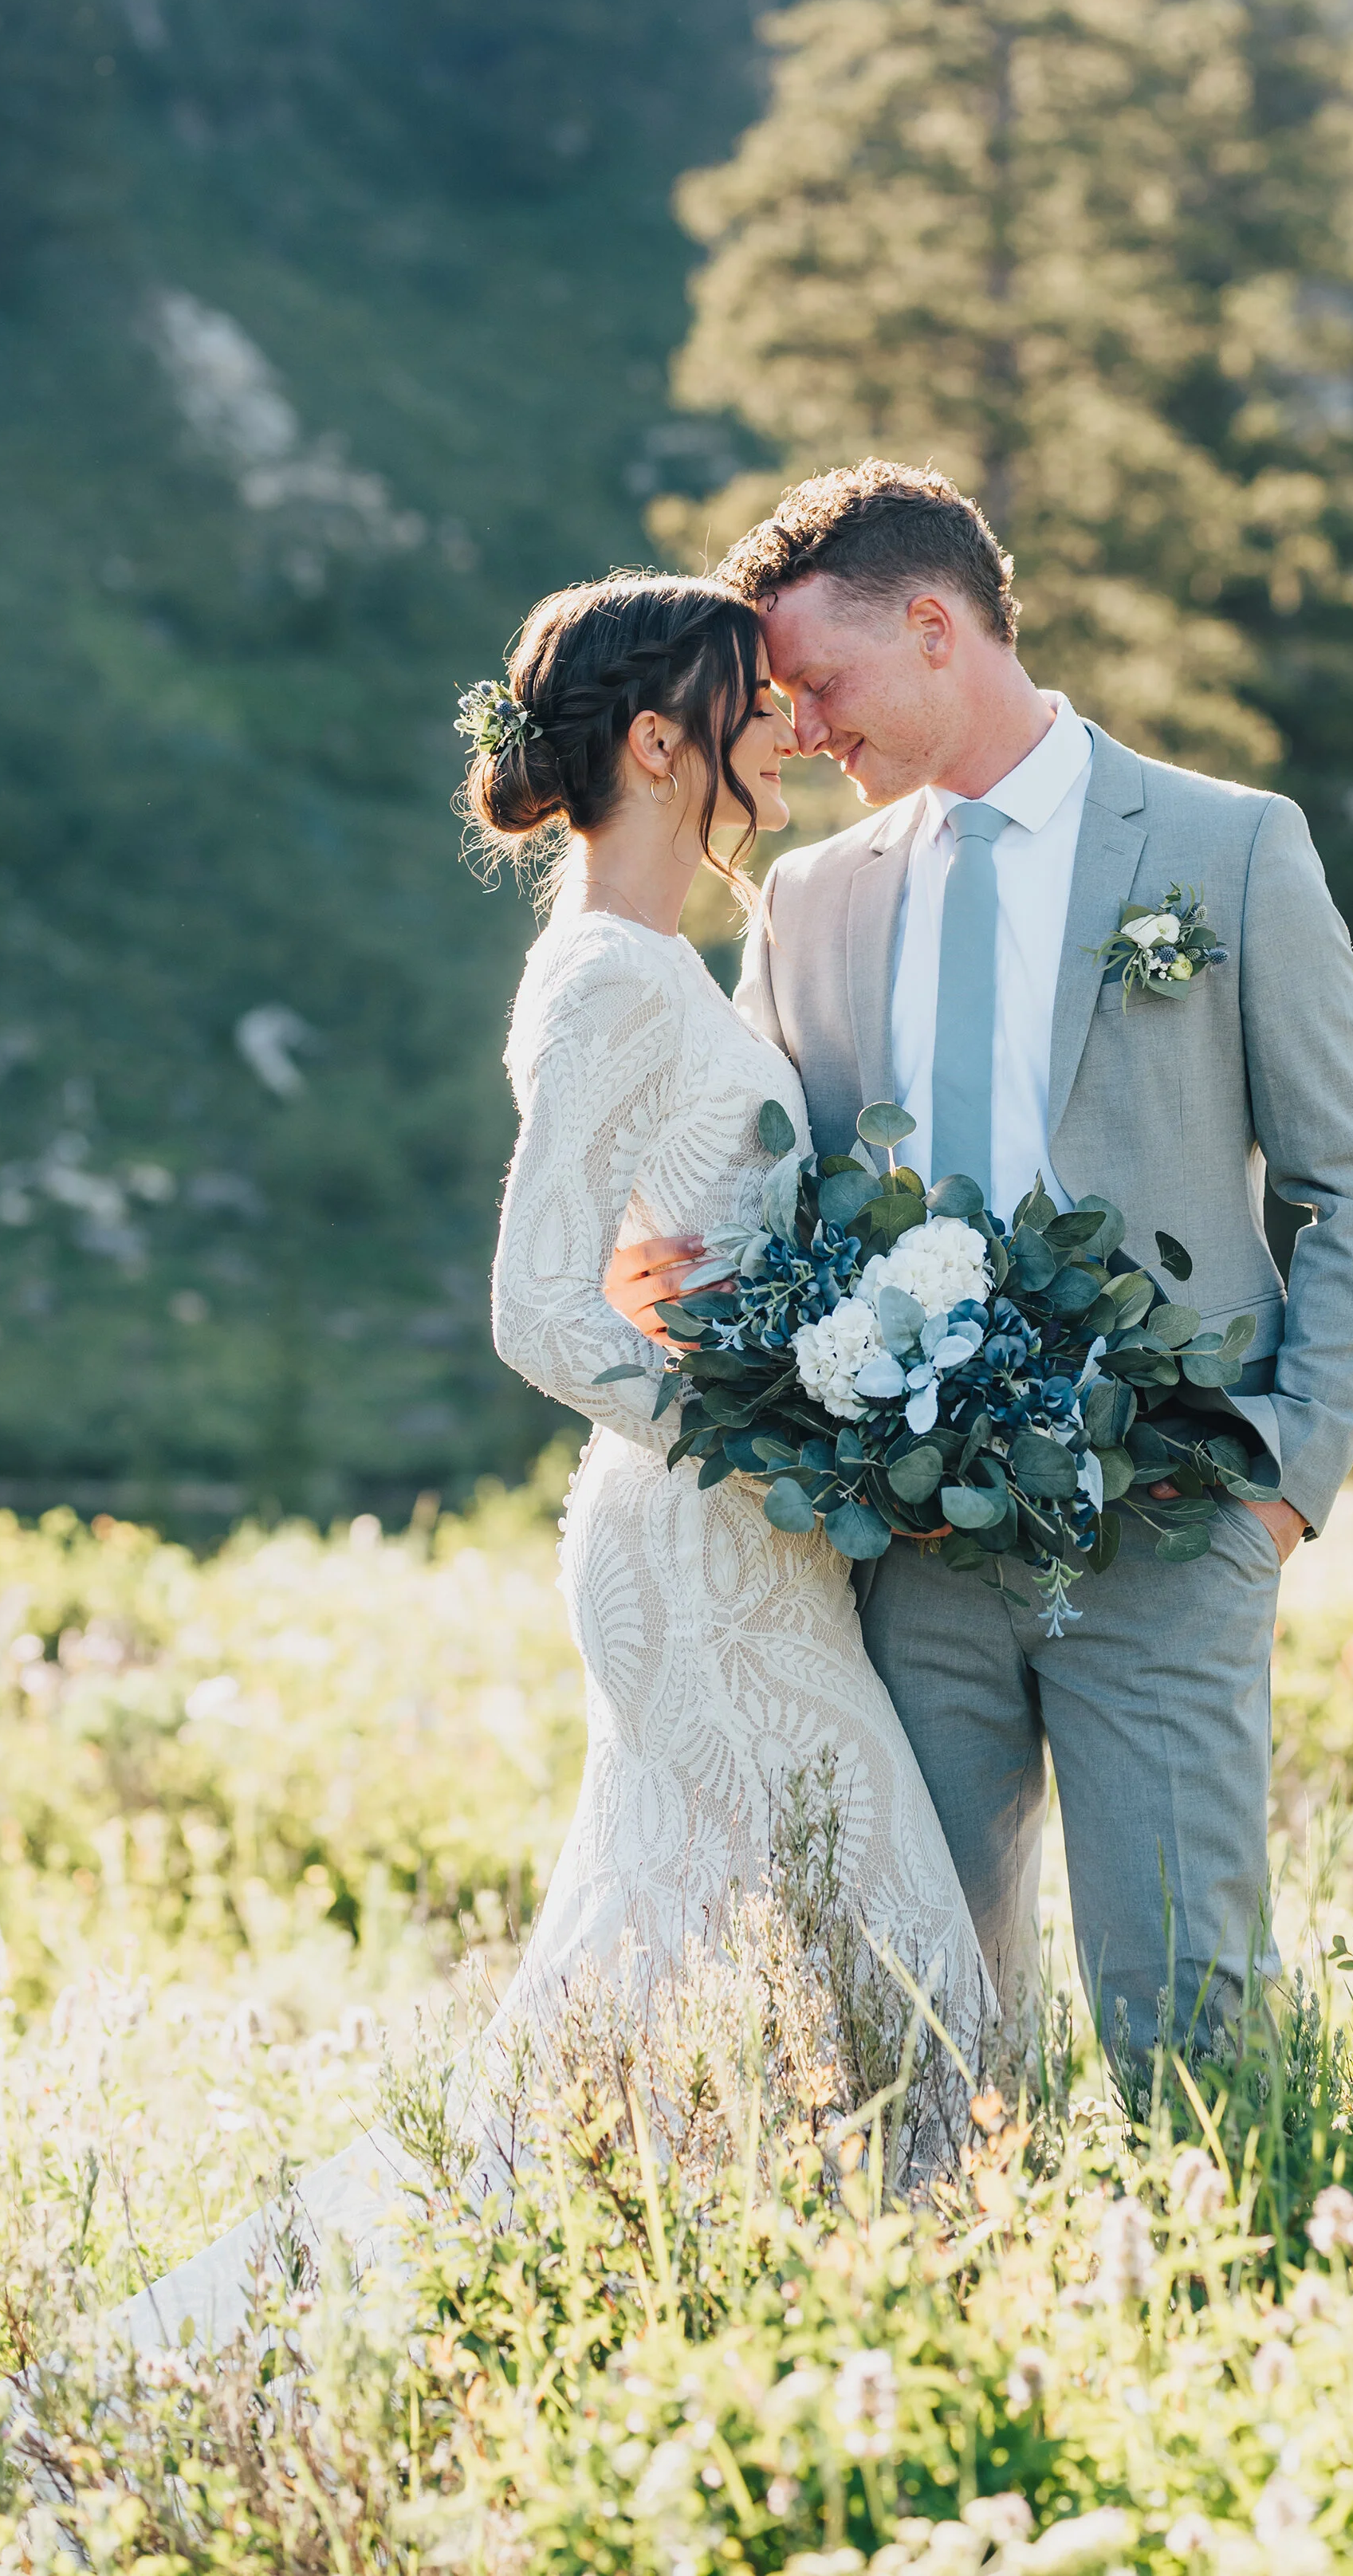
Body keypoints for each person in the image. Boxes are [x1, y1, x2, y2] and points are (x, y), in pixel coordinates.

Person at [113, 573, 991, 2354]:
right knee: (919, 1985)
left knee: (694, 1965)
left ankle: (667, 2309)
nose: (782, 726)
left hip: (748, 1545)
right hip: (703, 1549)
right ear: (662, 741)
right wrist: (778, 1432)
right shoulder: (606, 971)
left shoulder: (665, 960)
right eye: (748, 700)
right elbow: (535, 1309)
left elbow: (653, 1243)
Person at [606, 463, 1353, 2055]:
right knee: (919, 2015)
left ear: (932, 629)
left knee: (1185, 2002)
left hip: (1176, 1522)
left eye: (819, 684)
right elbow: (783, 1209)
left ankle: (1221, 2287)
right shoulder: (808, 904)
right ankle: (960, 2296)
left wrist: (1283, 1480)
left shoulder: (1230, 847)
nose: (804, 731)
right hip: (907, 1549)